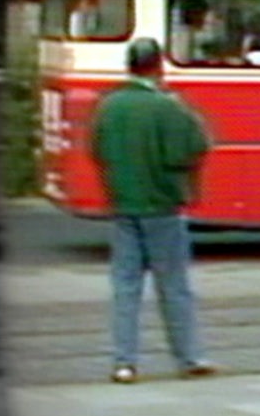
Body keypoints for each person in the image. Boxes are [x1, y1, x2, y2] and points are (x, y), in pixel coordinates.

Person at [90, 37, 217, 383]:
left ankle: (124, 362)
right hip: (162, 207)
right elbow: (195, 146)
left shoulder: (108, 106)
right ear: (158, 66)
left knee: (126, 287)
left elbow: (97, 150)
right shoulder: (168, 107)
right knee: (174, 285)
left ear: (129, 66)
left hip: (124, 207)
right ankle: (189, 358)